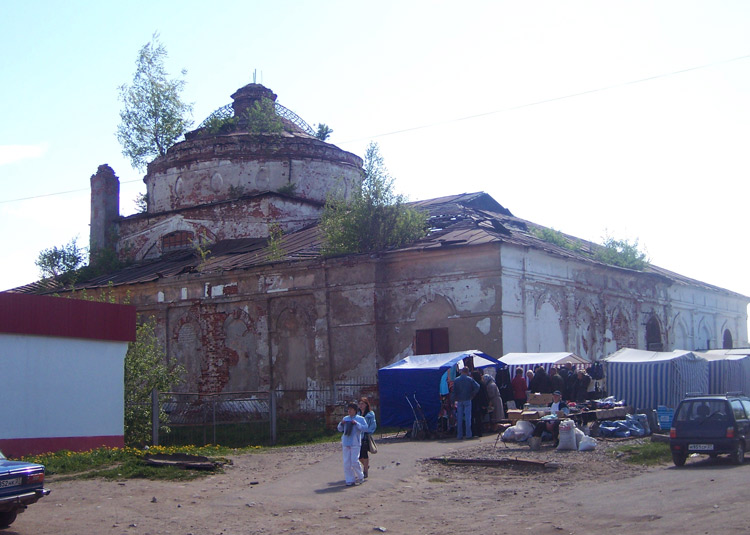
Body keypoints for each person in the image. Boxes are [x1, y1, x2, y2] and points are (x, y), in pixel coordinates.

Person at [337, 402, 367, 486]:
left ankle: (360, 476)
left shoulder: (360, 418)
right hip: (346, 441)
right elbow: (339, 429)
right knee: (347, 462)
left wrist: (356, 423)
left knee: (354, 461)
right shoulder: (346, 418)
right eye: (348, 409)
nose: (349, 411)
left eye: (351, 409)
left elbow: (365, 428)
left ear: (355, 410)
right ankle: (350, 479)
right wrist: (341, 423)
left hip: (355, 442)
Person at [453, 366, 479, 439]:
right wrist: (472, 394)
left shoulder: (456, 380)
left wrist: (453, 400)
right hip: (467, 399)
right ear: (467, 372)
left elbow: (454, 392)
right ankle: (468, 434)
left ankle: (459, 435)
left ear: (461, 371)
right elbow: (477, 387)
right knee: (468, 417)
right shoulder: (470, 379)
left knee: (459, 418)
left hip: (459, 400)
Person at [357, 397, 377, 479]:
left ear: (366, 405)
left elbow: (373, 424)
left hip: (365, 435)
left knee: (364, 453)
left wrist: (368, 431)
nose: (361, 405)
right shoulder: (357, 413)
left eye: (363, 404)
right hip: (358, 436)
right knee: (358, 455)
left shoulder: (370, 414)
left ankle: (365, 471)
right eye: (360, 404)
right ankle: (366, 465)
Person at [471, 370, 489, 437]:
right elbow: (485, 395)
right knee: (479, 419)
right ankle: (479, 432)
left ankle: (474, 432)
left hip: (475, 403)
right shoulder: (482, 383)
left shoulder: (474, 384)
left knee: (474, 418)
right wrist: (485, 404)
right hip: (480, 403)